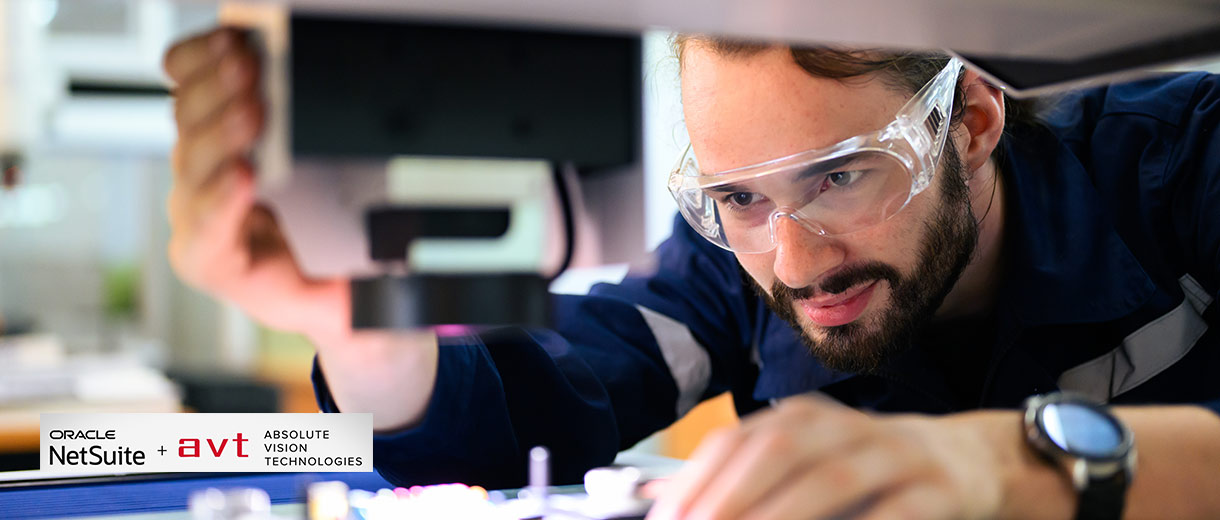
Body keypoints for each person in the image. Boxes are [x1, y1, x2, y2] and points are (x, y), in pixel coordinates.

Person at [164, 27, 1220, 519]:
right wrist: (362, 327)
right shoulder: (730, 272)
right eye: (741, 198)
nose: (794, 262)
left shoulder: (1180, 167)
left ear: (974, 121)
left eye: (843, 176)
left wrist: (1009, 470)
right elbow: (531, 408)